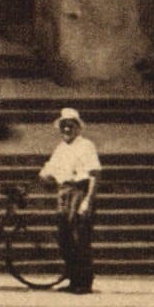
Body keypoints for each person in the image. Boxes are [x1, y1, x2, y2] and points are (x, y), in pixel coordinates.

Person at [38, 106, 100, 293]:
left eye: (70, 125)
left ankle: (84, 283)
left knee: (79, 237)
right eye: (64, 126)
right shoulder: (61, 148)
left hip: (79, 191)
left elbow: (95, 174)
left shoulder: (86, 145)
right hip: (63, 192)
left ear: (78, 127)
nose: (66, 129)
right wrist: (45, 174)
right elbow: (49, 171)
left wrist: (87, 200)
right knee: (65, 238)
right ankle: (73, 279)